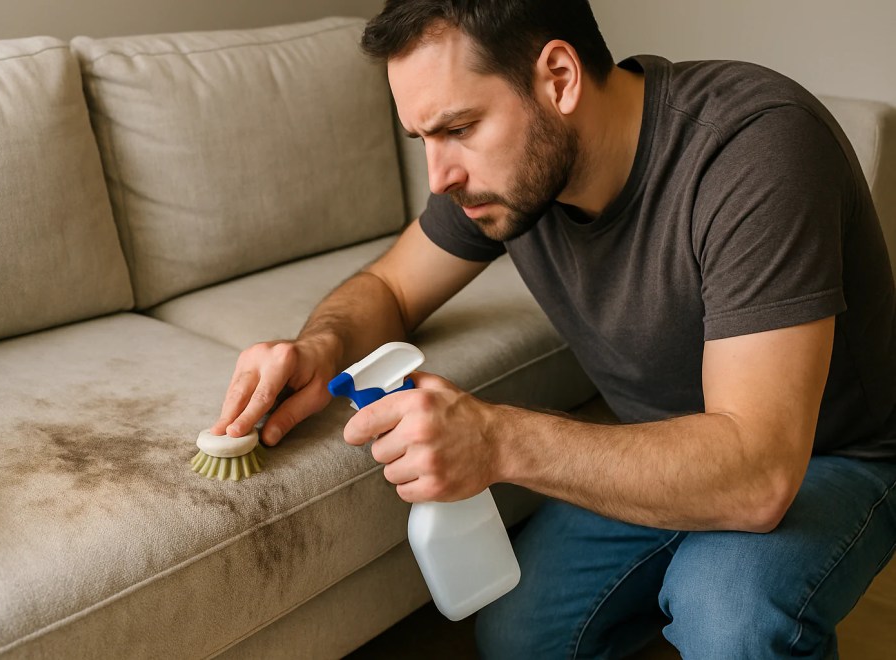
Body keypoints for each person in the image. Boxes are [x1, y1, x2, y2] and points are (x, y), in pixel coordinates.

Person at [211, 0, 896, 656]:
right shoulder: (499, 182)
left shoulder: (754, 149)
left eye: (457, 128)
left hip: (828, 457)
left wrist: (496, 439)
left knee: (727, 609)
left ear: (559, 79)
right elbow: (390, 285)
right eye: (422, 138)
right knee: (518, 634)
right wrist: (318, 346)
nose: (439, 175)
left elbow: (758, 473)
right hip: (660, 441)